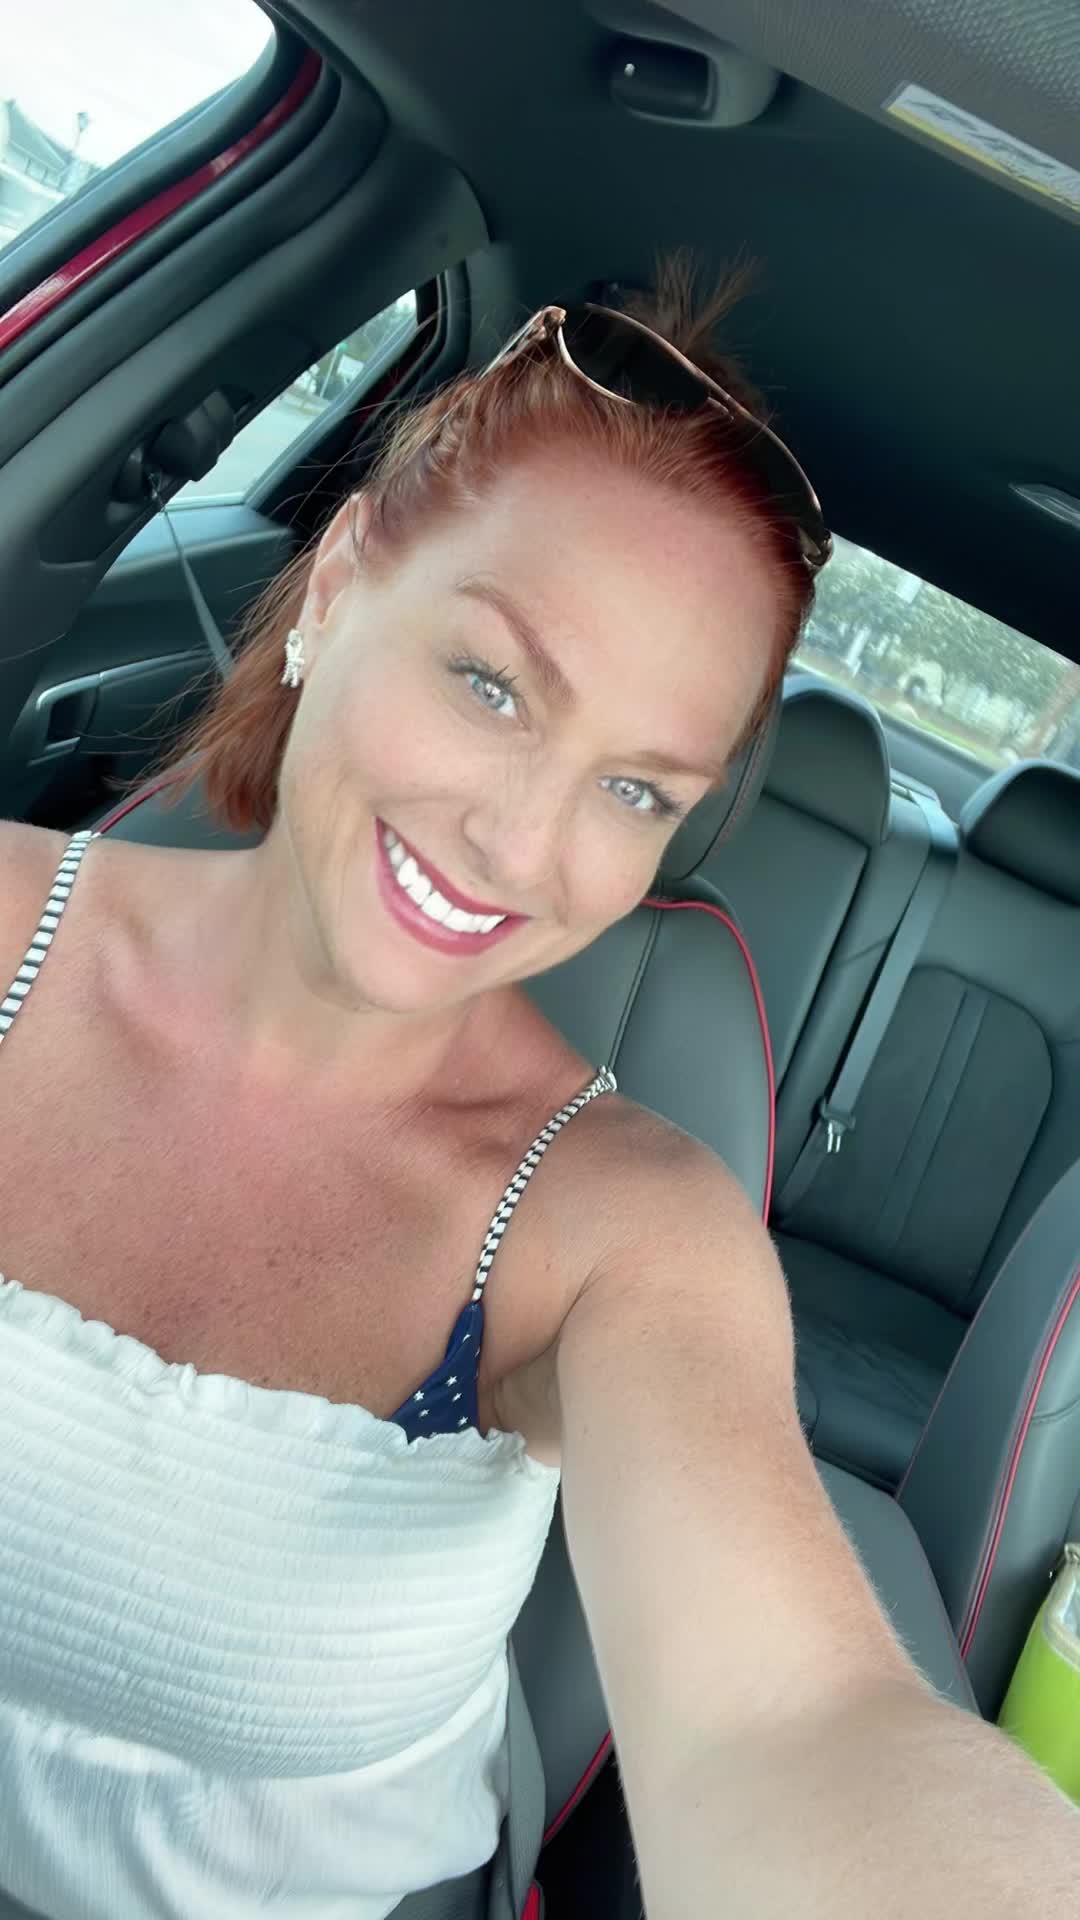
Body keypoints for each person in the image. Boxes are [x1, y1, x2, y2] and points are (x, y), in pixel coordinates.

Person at [0, 261, 1076, 1920]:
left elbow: (797, 1727)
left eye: (637, 790)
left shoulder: (613, 1233)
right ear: (342, 580)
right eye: (491, 685)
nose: (518, 847)